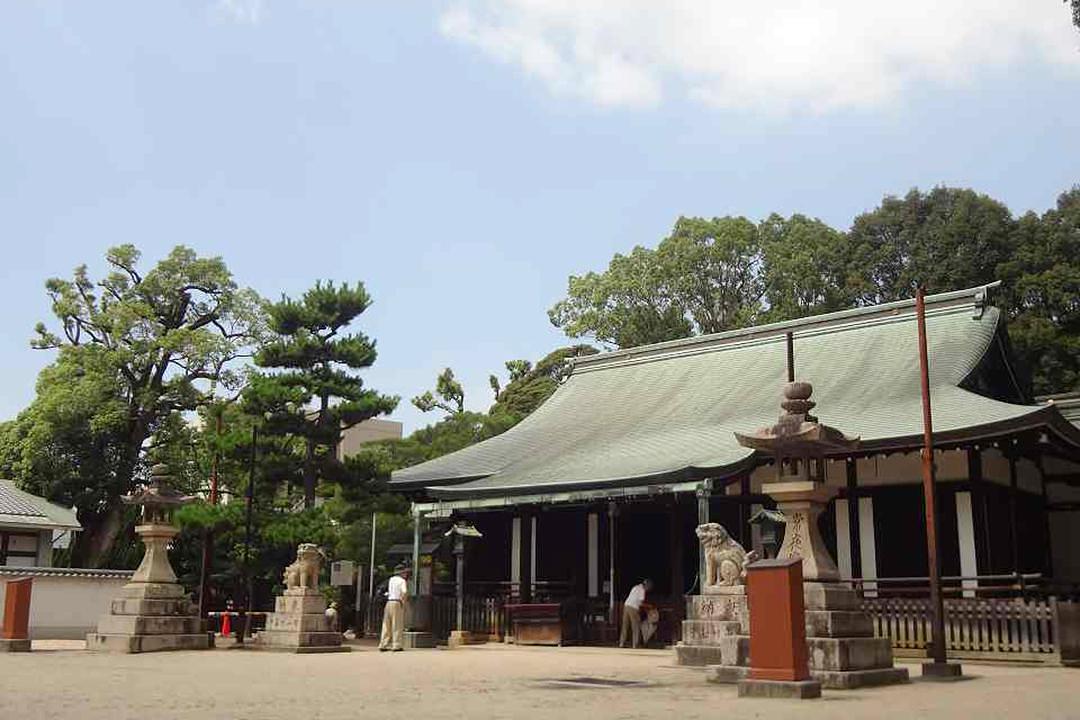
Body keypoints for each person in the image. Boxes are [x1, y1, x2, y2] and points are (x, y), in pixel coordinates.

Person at [379, 565, 411, 652]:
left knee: (386, 624)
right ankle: (396, 645)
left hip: (389, 602)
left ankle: (383, 644)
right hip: (397, 602)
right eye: (405, 572)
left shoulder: (391, 580)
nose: (406, 574)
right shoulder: (402, 581)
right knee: (397, 624)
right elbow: (404, 592)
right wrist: (403, 603)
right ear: (402, 573)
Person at [619, 578, 653, 649]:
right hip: (633, 608)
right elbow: (641, 603)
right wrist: (649, 606)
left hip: (626, 606)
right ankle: (635, 645)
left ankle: (621, 643)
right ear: (647, 585)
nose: (649, 589)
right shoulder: (642, 590)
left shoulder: (635, 587)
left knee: (625, 626)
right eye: (649, 587)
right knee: (636, 627)